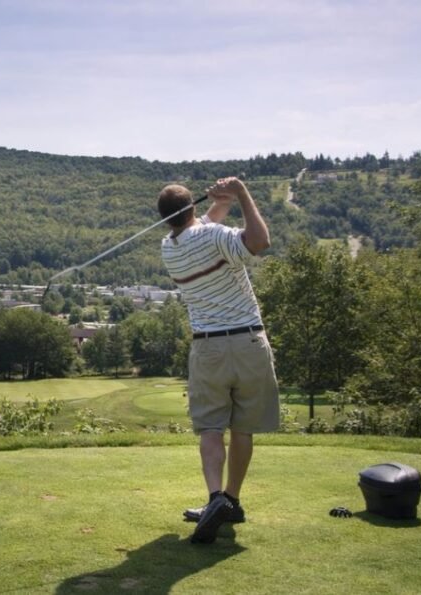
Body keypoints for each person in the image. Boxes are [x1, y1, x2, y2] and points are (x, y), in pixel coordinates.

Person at [157, 177, 279, 544]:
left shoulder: (169, 247)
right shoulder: (215, 237)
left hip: (207, 348)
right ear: (192, 208)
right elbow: (259, 242)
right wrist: (240, 194)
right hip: (247, 341)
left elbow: (202, 225)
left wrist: (219, 202)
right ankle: (231, 501)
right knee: (243, 426)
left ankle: (216, 500)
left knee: (211, 427)